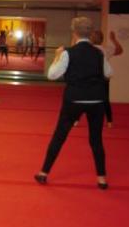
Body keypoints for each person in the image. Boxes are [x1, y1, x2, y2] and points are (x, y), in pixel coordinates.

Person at [34, 17, 112, 190]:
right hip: (97, 100)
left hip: (74, 100)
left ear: (74, 32)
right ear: (91, 33)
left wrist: (56, 57)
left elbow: (52, 75)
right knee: (96, 140)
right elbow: (109, 72)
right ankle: (101, 178)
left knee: (59, 136)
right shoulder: (99, 53)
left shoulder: (68, 53)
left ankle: (44, 173)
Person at [74, 30, 123, 128]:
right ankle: (109, 121)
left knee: (84, 98)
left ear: (91, 39)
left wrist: (75, 38)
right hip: (103, 78)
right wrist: (114, 40)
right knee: (105, 100)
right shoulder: (106, 49)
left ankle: (76, 120)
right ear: (102, 39)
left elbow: (75, 51)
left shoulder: (88, 49)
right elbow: (120, 50)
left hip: (90, 78)